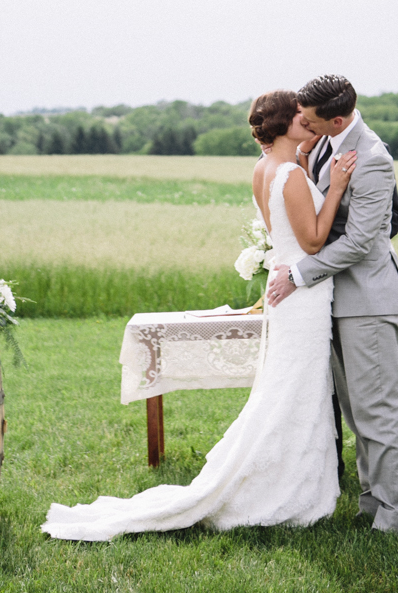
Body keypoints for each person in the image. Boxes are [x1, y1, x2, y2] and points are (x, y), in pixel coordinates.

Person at [42, 89, 356, 541]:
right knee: (297, 388)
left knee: (289, 387)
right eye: (300, 116)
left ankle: (285, 474)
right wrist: (338, 188)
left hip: (288, 295)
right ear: (284, 123)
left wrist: (306, 162)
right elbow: (311, 243)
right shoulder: (288, 174)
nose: (308, 120)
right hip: (303, 296)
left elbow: (284, 228)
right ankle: (287, 486)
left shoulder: (265, 169)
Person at [267, 74, 398, 536]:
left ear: (336, 118)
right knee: (357, 411)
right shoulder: (327, 145)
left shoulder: (372, 158)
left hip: (367, 300)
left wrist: (299, 273)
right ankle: (372, 502)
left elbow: (359, 241)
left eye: (310, 121)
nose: (304, 127)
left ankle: (397, 518)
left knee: (380, 411)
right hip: (336, 299)